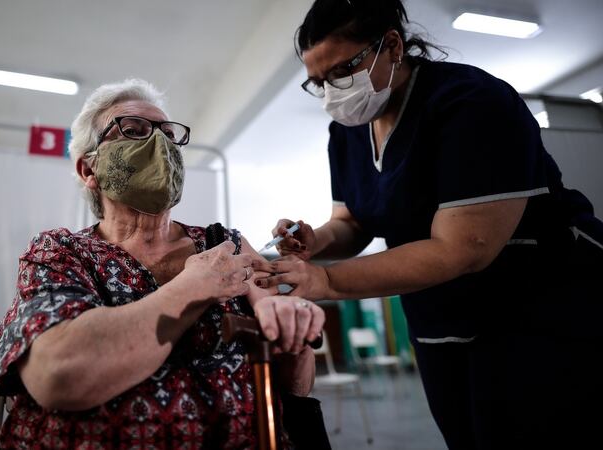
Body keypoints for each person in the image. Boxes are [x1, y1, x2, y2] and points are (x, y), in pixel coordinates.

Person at [251, 0, 603, 448]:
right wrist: (315, 240)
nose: (332, 93)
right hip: (440, 322)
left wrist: (325, 281)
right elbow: (353, 221)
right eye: (318, 83)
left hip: (540, 310)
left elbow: (463, 247)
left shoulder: (471, 103)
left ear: (392, 45)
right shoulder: (348, 132)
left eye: (341, 72)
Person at [0, 79, 325, 449]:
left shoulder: (224, 244)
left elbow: (296, 383)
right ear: (89, 170)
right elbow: (61, 374)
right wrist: (194, 286)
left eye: (169, 134)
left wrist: (294, 335)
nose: (160, 144)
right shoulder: (61, 252)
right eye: (133, 131)